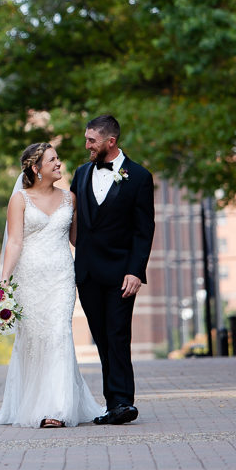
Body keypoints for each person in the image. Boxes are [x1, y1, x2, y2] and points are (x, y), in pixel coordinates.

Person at [0, 142, 106, 429]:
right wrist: (2, 283)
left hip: (62, 276)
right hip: (30, 278)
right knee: (35, 340)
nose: (59, 164)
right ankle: (33, 403)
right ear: (36, 168)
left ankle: (57, 409)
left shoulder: (70, 199)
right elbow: (14, 242)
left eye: (58, 159)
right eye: (52, 160)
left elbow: (78, 240)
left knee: (59, 334)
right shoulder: (20, 200)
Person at [70, 114, 155, 425]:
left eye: (91, 140)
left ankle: (122, 403)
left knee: (118, 334)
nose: (87, 145)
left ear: (111, 141)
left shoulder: (140, 177)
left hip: (122, 274)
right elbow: (73, 218)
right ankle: (112, 404)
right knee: (102, 337)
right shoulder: (79, 174)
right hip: (88, 273)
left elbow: (144, 229)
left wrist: (136, 271)